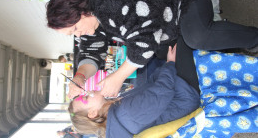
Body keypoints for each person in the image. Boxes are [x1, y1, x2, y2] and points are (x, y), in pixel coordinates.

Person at [46, 0, 258, 99]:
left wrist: (118, 77)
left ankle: (253, 39)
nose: (78, 35)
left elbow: (144, 42)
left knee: (198, 36)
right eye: (73, 34)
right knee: (182, 77)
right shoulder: (90, 12)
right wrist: (80, 76)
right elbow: (92, 52)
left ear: (80, 12)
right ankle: (232, 58)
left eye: (74, 29)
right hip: (163, 16)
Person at [68, 45, 201, 138]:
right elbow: (162, 92)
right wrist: (170, 64)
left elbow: (151, 86)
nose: (86, 92)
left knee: (163, 47)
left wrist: (166, 67)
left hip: (174, 88)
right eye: (85, 98)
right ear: (92, 113)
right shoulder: (126, 114)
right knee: (184, 37)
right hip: (184, 93)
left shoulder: (117, 111)